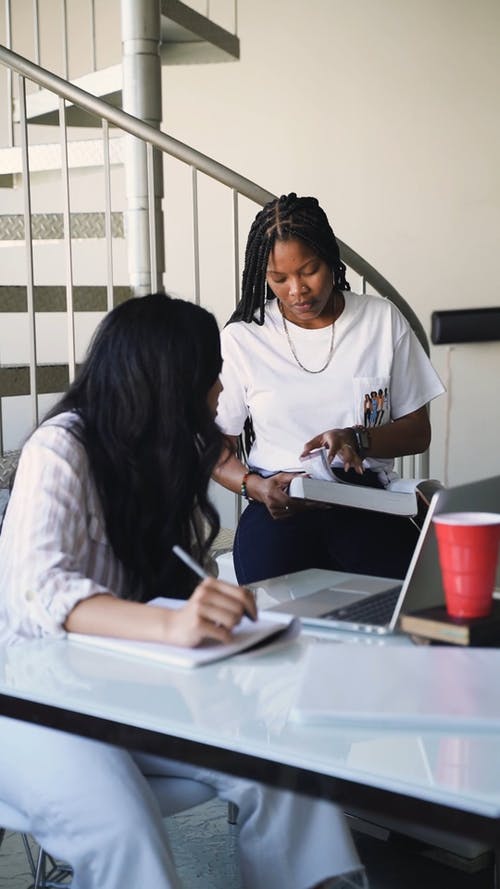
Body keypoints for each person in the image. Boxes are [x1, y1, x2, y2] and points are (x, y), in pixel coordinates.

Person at [0, 293, 367, 889]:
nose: (220, 391)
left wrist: (203, 616)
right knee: (122, 827)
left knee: (284, 767)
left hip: (123, 687)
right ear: (165, 381)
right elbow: (42, 590)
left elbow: (167, 586)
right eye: (209, 375)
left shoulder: (154, 455)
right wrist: (171, 626)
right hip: (29, 701)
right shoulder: (60, 448)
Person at [214, 194, 445, 585]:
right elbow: (216, 448)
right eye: (279, 278)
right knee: (282, 631)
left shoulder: (380, 320)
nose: (296, 291)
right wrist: (254, 487)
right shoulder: (243, 339)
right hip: (279, 507)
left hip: (367, 504)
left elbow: (418, 431)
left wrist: (359, 438)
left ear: (330, 259)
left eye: (309, 270)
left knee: (397, 616)